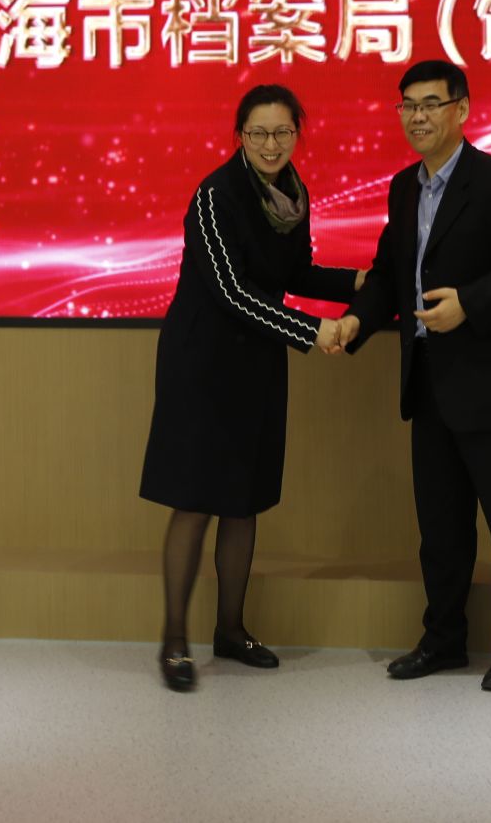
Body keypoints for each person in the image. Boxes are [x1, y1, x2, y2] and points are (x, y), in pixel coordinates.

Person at [333, 60, 491, 691]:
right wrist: (356, 321)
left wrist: (471, 304)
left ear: (461, 110)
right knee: (440, 528)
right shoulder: (403, 188)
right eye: (407, 106)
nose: (418, 117)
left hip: (490, 384)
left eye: (431, 104)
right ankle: (443, 641)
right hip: (428, 380)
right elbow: (390, 273)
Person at [138, 83, 360, 691]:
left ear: (297, 135)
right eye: (258, 133)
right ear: (239, 136)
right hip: (203, 365)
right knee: (195, 499)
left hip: (257, 359)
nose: (270, 144)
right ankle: (174, 641)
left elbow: (296, 272)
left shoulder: (292, 193)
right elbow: (231, 293)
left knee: (244, 498)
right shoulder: (214, 196)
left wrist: (361, 282)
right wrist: (313, 330)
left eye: (282, 132)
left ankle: (231, 631)